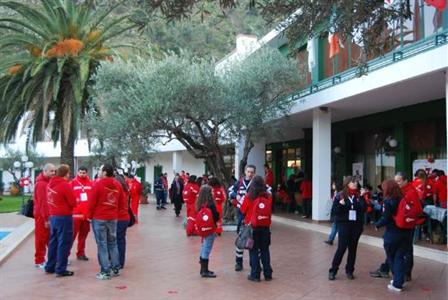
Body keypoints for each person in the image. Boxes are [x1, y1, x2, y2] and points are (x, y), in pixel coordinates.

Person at [370, 172, 420, 281]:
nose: (397, 183)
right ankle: (389, 271)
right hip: (402, 227)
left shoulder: (409, 192)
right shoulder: (401, 192)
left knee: (402, 251)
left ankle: (403, 275)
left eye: (399, 181)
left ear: (405, 181)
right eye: (395, 181)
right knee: (397, 252)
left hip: (404, 227)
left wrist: (378, 224)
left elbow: (415, 210)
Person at [374, 179, 413, 292]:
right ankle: (398, 280)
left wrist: (377, 225)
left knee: (392, 258)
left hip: (393, 234)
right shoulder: (403, 198)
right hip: (406, 232)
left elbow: (386, 218)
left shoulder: (388, 201)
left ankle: (397, 282)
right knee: (400, 257)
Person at [89, 164, 124, 280]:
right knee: (112, 243)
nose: (99, 172)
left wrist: (89, 216)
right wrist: (115, 212)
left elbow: (92, 202)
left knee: (102, 245)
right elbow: (122, 202)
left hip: (99, 218)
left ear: (104, 172)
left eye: (99, 169)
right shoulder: (117, 185)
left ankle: (105, 271)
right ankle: (115, 268)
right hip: (112, 218)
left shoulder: (97, 184)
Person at [328, 176, 366, 280]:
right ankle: (333, 270)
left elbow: (364, 209)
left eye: (356, 182)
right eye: (352, 182)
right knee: (341, 248)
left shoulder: (359, 195)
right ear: (347, 183)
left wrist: (363, 197)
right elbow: (334, 211)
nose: (355, 184)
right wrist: (340, 205)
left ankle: (349, 270)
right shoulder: (340, 195)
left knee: (353, 249)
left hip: (356, 226)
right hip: (344, 225)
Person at [44, 164, 76, 277]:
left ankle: (50, 265)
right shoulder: (64, 185)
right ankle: (61, 268)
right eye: (68, 172)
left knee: (53, 242)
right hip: (64, 217)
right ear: (65, 173)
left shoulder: (50, 185)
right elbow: (73, 202)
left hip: (53, 216)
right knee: (64, 242)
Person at [240, 175, 273, 282]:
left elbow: (242, 210)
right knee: (265, 250)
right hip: (265, 227)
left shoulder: (249, 196)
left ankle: (255, 275)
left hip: (252, 228)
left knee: (253, 251)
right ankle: (268, 274)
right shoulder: (268, 196)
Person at [229, 164, 256, 272]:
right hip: (241, 216)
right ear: (245, 172)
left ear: (254, 173)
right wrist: (236, 195)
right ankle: (238, 263)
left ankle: (253, 263)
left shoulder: (257, 183)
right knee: (241, 240)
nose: (250, 174)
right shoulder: (239, 183)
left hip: (254, 217)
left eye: (252, 172)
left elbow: (268, 191)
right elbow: (230, 191)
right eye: (248, 172)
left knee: (253, 241)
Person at [33, 163, 56, 269]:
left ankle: (51, 259)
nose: (53, 173)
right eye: (51, 171)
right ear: (45, 171)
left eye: (54, 171)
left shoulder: (48, 182)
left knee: (48, 238)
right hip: (42, 215)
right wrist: (46, 219)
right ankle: (39, 260)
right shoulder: (41, 184)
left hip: (47, 214)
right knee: (41, 238)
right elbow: (43, 203)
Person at [196, 185, 219, 278]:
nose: (213, 193)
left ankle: (203, 267)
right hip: (210, 229)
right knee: (207, 248)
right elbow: (216, 217)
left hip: (203, 229)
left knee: (204, 246)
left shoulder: (200, 203)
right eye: (212, 192)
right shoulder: (211, 204)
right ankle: (204, 270)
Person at [70, 166, 93, 261]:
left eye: (84, 172)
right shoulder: (72, 183)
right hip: (75, 215)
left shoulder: (91, 183)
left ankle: (81, 253)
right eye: (80, 172)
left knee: (83, 236)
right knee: (71, 237)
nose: (82, 174)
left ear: (86, 173)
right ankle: (65, 255)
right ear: (77, 172)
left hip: (86, 216)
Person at [115, 174, 130, 269]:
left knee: (116, 240)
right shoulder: (126, 191)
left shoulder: (118, 192)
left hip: (118, 218)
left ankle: (118, 261)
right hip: (125, 218)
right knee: (121, 240)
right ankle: (121, 261)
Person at [325, 181, 339, 245]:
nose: (332, 186)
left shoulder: (338, 194)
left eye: (333, 184)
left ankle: (331, 239)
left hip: (337, 213)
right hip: (335, 212)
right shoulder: (335, 193)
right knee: (335, 226)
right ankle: (331, 239)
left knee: (335, 226)